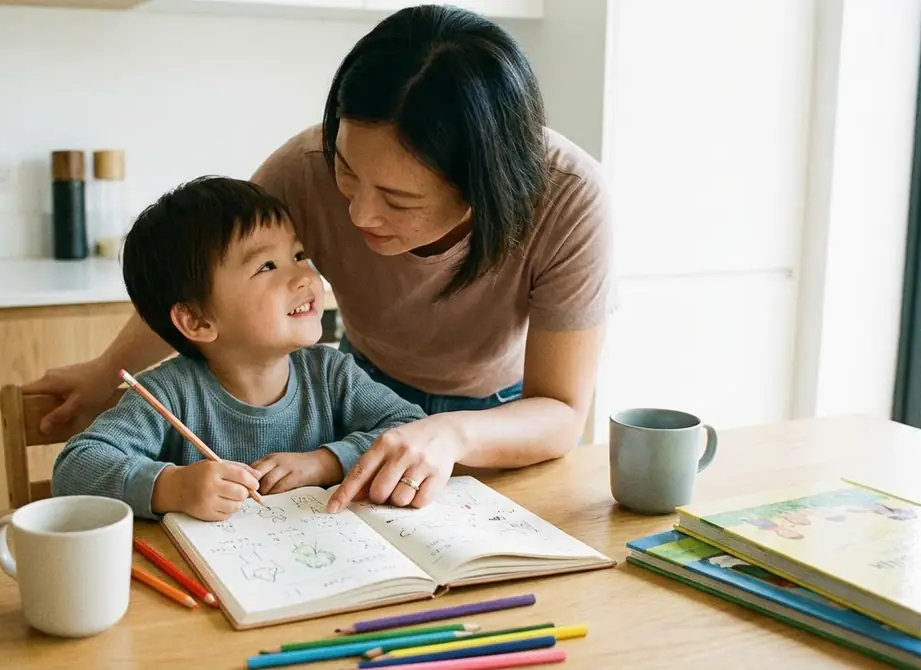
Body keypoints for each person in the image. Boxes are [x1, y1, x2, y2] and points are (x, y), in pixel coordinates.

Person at [30, 5, 614, 516]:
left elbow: (561, 409)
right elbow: (201, 277)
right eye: (347, 172)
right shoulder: (303, 171)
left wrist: (445, 435)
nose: (358, 214)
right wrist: (110, 371)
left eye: (399, 199)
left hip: (501, 421)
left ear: (483, 186)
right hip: (366, 390)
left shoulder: (568, 196)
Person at [50, 176, 427, 522]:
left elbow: (412, 429)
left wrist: (326, 462)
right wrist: (172, 487)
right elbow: (74, 467)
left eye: (297, 255)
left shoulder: (330, 374)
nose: (305, 276)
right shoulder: (168, 395)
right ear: (197, 321)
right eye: (266, 266)